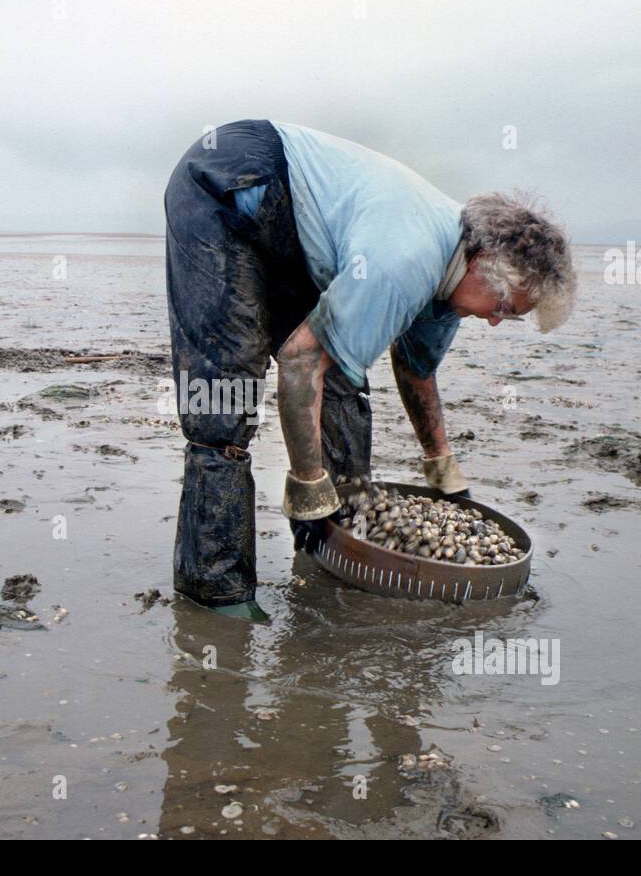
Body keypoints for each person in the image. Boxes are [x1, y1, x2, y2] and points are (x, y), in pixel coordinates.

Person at [163, 119, 576, 615]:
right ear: (484, 258)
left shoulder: (451, 287)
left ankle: (333, 552)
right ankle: (215, 596)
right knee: (224, 402)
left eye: (509, 318)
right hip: (232, 184)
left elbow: (416, 371)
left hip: (296, 231)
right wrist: (308, 486)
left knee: (341, 381)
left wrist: (442, 469)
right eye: (504, 306)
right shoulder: (405, 262)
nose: (493, 320)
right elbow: (299, 361)